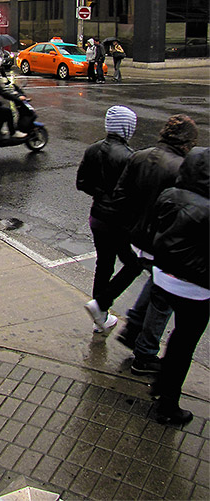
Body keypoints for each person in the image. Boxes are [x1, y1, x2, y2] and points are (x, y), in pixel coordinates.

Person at [111, 114, 199, 375]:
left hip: (138, 235)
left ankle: (134, 328)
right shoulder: (181, 167)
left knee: (156, 283)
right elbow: (180, 208)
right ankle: (145, 353)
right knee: (163, 295)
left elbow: (120, 195)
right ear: (186, 142)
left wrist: (129, 226)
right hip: (161, 240)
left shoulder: (139, 155)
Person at [149, 147, 209, 425]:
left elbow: (153, 229)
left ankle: (161, 384)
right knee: (184, 343)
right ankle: (167, 405)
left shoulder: (169, 195)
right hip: (195, 289)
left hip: (162, 278)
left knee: (178, 338)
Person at [77, 106, 142, 334]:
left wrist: (101, 193)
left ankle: (100, 318)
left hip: (97, 217)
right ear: (126, 128)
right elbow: (134, 194)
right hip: (118, 221)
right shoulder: (129, 157)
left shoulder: (93, 149)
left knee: (104, 265)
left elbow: (81, 182)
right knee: (133, 265)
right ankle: (101, 304)